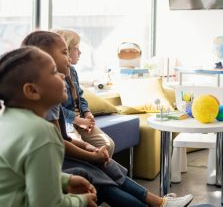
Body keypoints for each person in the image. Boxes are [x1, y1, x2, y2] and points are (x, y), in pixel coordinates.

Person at [21, 31, 193, 207]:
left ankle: (159, 203)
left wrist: (89, 144)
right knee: (98, 173)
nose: (72, 57)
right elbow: (58, 144)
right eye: (65, 52)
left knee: (105, 163)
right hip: (54, 160)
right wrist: (90, 155)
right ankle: (158, 203)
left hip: (63, 149)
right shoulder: (45, 97)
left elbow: (61, 137)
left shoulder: (58, 86)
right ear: (44, 59)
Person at [0, 46, 97, 207]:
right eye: (53, 72)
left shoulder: (7, 121)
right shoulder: (41, 133)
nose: (61, 75)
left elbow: (17, 173)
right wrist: (82, 200)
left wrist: (65, 180)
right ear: (32, 90)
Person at [53, 28, 115, 156]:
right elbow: (54, 108)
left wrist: (87, 113)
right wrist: (77, 120)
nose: (80, 52)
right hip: (68, 123)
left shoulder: (73, 71)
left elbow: (80, 96)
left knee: (108, 145)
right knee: (82, 151)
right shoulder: (52, 76)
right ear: (67, 50)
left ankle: (99, 174)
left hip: (81, 121)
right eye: (76, 48)